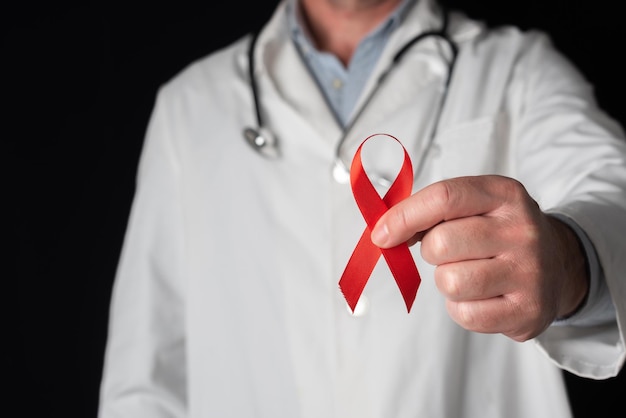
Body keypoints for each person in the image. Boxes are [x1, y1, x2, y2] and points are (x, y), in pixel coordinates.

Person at [97, 0, 626, 416]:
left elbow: (614, 192)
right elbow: (146, 381)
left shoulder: (514, 69)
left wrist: (569, 258)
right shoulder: (189, 107)